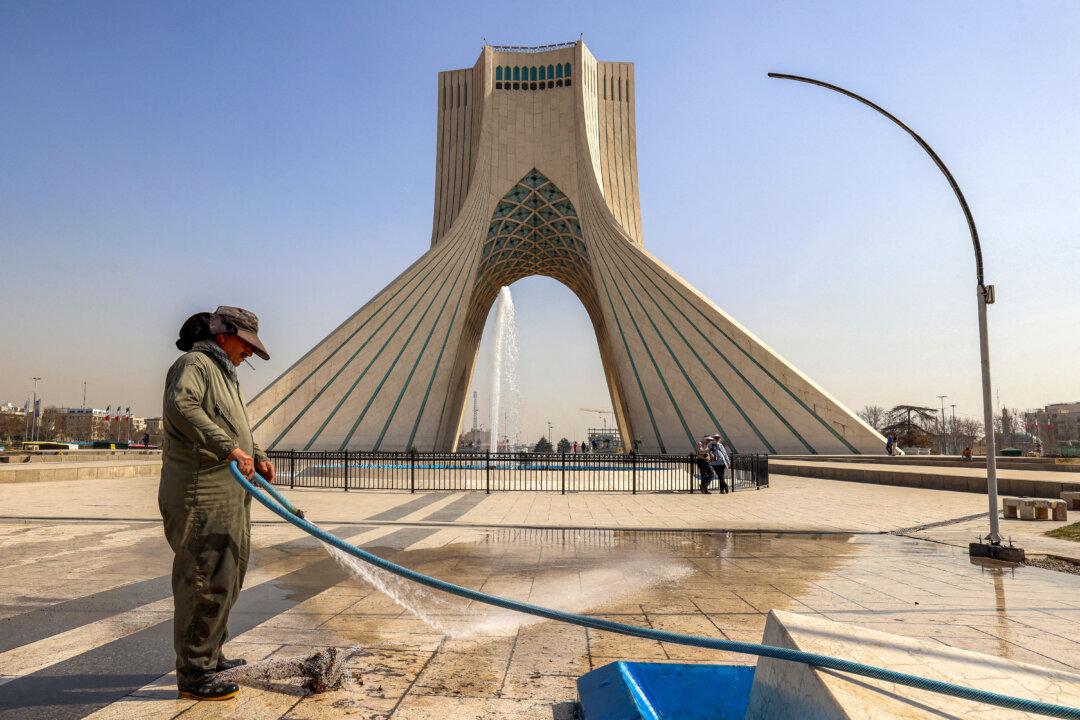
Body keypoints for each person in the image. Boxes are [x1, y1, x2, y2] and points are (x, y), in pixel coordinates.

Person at [158, 306, 274, 701]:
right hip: (201, 492)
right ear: (224, 335)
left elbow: (233, 422)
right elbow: (182, 406)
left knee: (228, 576)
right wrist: (229, 448)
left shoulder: (226, 374)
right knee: (204, 579)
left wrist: (255, 452)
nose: (249, 355)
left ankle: (211, 655)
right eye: (247, 345)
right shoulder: (195, 364)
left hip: (230, 492)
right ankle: (194, 673)